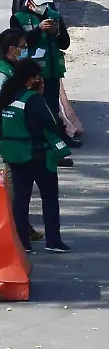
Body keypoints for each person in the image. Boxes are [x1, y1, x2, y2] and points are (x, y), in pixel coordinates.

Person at [0, 58, 71, 254]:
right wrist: (40, 94)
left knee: (21, 200)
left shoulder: (6, 98)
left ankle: (22, 242)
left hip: (14, 154)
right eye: (37, 76)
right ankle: (54, 241)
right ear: (31, 79)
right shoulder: (33, 99)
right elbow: (52, 122)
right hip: (38, 154)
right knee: (49, 198)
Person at [12, 0, 71, 144]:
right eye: (40, 4)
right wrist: (38, 29)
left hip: (52, 70)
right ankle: (38, 139)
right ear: (30, 3)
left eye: (46, 3)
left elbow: (65, 43)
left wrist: (56, 32)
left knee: (53, 108)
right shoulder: (18, 18)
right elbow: (20, 43)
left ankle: (58, 137)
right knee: (34, 107)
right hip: (31, 73)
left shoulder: (53, 14)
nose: (43, 7)